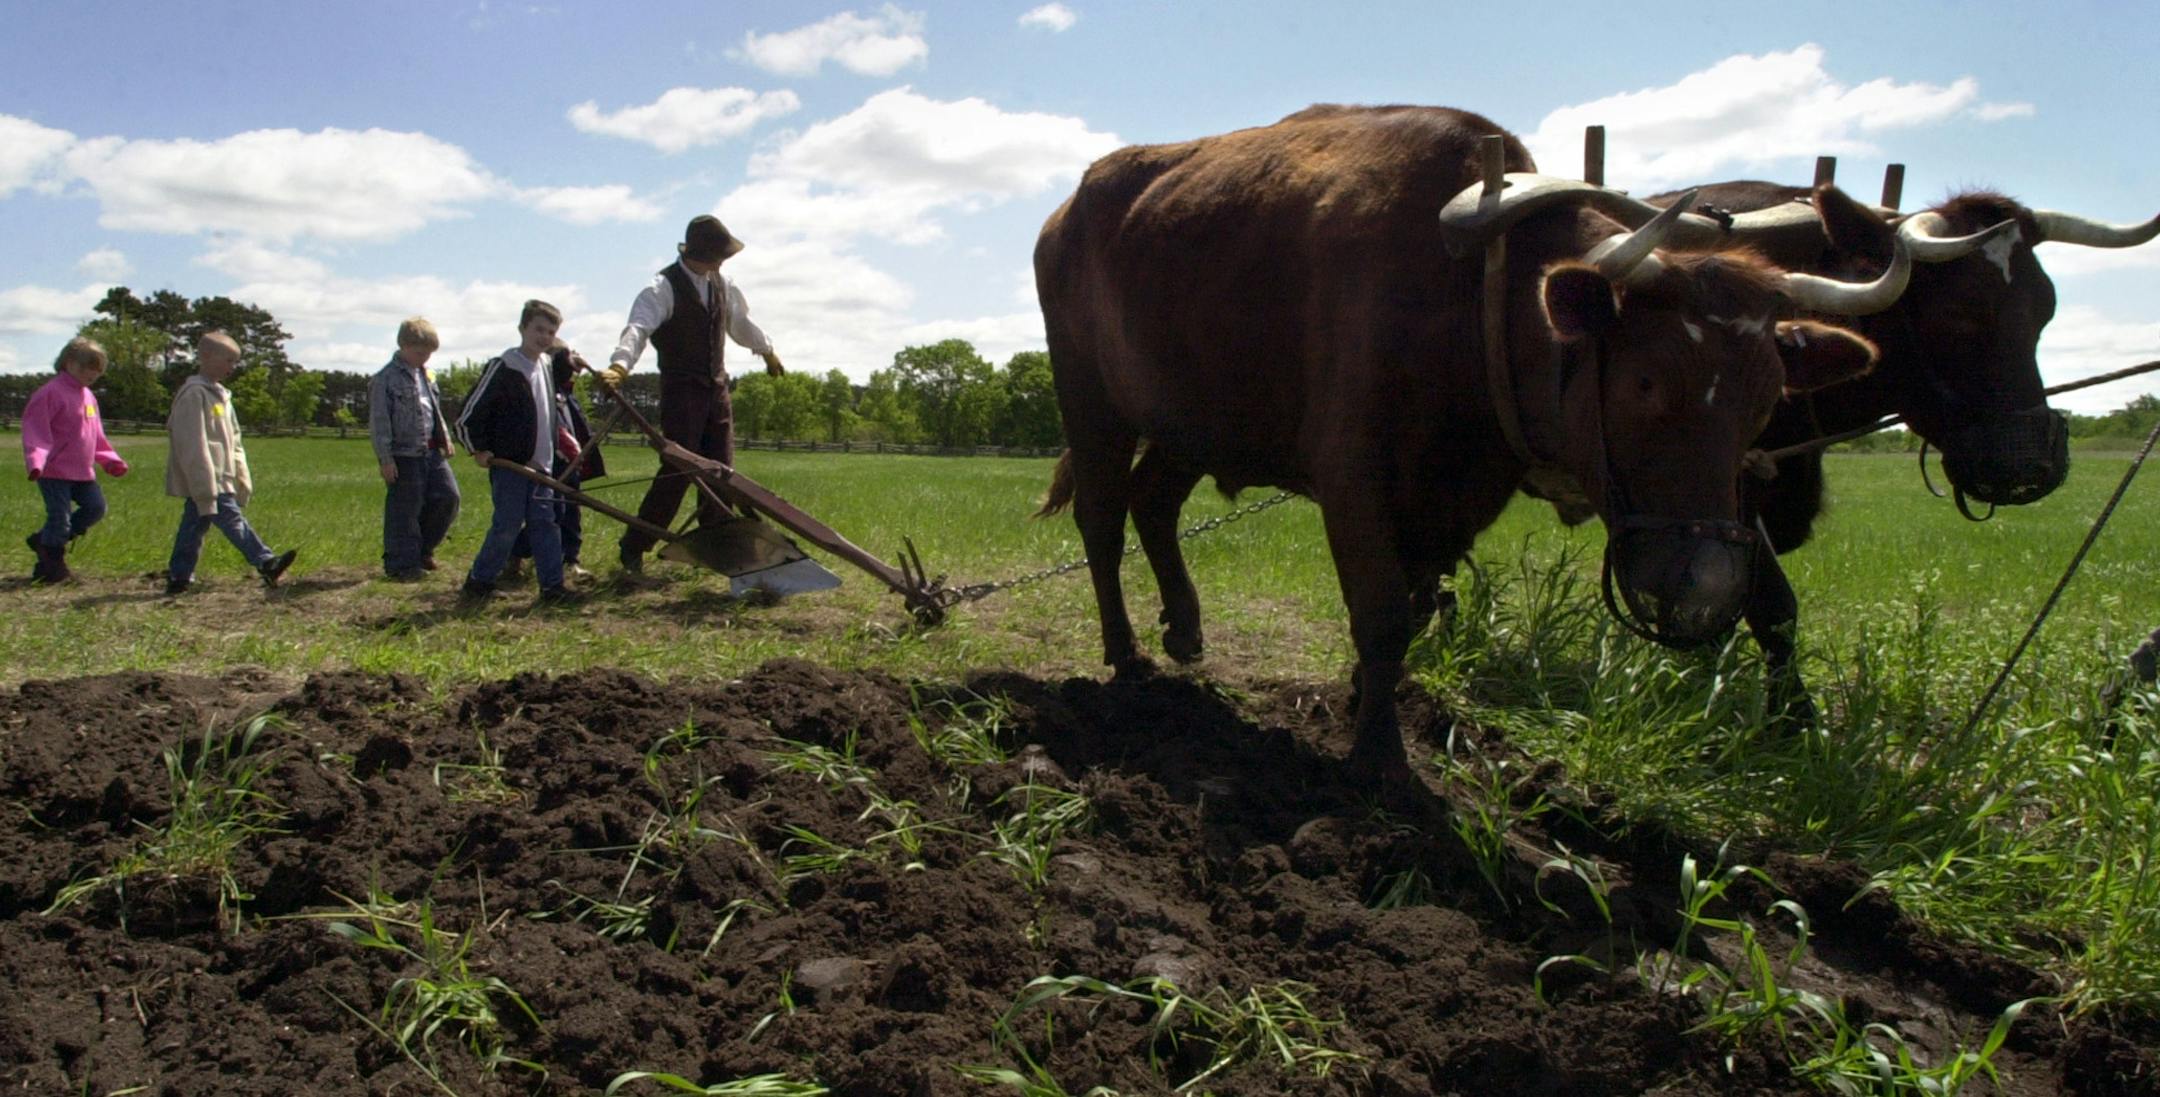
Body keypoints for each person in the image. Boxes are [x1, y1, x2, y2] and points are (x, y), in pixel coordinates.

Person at [598, 213, 784, 576]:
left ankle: (717, 546)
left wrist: (766, 350)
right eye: (719, 256)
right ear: (701, 253)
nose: (722, 262)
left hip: (716, 389)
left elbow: (739, 323)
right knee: (678, 471)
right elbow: (638, 328)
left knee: (722, 472)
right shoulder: (662, 288)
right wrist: (620, 365)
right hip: (682, 393)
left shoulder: (722, 284)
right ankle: (634, 546)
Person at [455, 300, 576, 607]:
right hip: (512, 464)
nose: (544, 336)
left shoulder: (545, 366)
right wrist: (478, 449)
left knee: (545, 524)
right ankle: (479, 582)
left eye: (550, 332)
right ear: (522, 328)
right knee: (507, 523)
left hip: (542, 466)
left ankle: (552, 587)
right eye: (538, 329)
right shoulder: (505, 367)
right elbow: (468, 416)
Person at [164, 332, 297, 595]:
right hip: (205, 476)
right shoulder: (194, 395)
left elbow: (234, 438)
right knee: (231, 519)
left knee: (194, 525)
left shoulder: (223, 396)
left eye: (234, 362)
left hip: (221, 474)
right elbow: (192, 442)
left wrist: (240, 471)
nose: (231, 368)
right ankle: (266, 561)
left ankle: (179, 576)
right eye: (227, 361)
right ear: (205, 357)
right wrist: (203, 481)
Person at [20, 336, 129, 584]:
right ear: (68, 363)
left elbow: (95, 435)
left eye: (96, 370)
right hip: (53, 471)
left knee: (96, 508)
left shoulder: (89, 397)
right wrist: (36, 461)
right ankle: (52, 567)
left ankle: (45, 541)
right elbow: (35, 429)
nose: (90, 374)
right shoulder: (49, 393)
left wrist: (109, 459)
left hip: (82, 471)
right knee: (59, 518)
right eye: (85, 367)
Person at [367, 317, 460, 580]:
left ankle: (423, 550)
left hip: (431, 452)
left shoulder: (427, 376)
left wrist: (446, 439)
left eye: (429, 353)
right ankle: (401, 564)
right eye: (420, 352)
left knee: (448, 498)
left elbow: (433, 409)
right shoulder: (385, 379)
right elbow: (380, 423)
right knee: (405, 510)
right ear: (403, 346)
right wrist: (385, 459)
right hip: (403, 455)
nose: (425, 358)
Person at [507, 340, 606, 583]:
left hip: (572, 462)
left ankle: (570, 560)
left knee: (571, 513)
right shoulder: (544, 382)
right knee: (552, 514)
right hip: (554, 460)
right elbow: (557, 367)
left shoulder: (564, 391)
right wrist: (565, 357)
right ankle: (515, 552)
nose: (573, 359)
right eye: (567, 355)